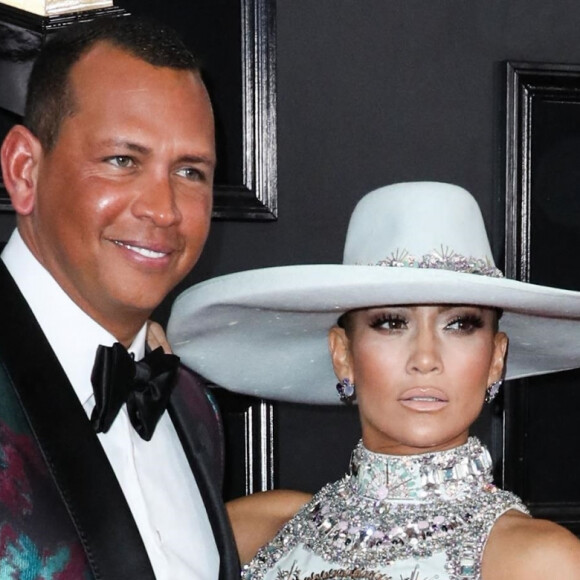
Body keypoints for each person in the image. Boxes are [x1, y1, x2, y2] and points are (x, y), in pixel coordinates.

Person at [167, 181, 580, 579]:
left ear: (496, 358)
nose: (425, 359)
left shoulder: (540, 561)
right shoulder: (257, 528)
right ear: (343, 355)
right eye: (391, 323)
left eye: (459, 325)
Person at [0, 16, 239, 580]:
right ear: (24, 170)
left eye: (189, 171)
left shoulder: (190, 405)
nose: (164, 209)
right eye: (122, 161)